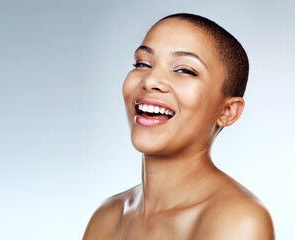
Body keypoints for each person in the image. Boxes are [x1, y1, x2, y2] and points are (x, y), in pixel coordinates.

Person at [83, 13, 274, 240]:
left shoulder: (239, 220)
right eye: (142, 64)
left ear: (227, 111)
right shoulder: (107, 217)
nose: (150, 80)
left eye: (184, 70)